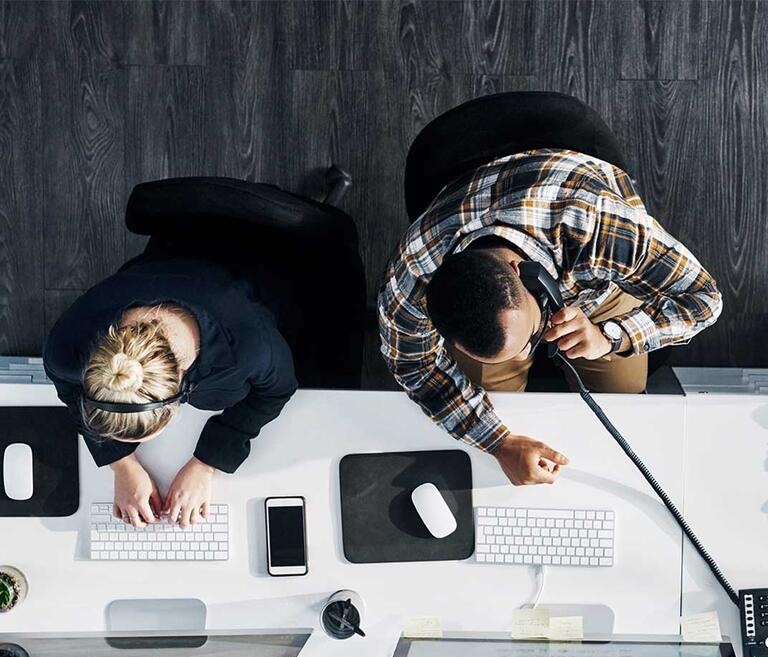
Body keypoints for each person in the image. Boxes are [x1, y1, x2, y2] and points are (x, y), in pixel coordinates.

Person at [378, 93, 723, 488]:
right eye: (526, 347)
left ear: (521, 270)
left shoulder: (599, 227)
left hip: (595, 286)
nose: (539, 345)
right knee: (498, 409)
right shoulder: (410, 278)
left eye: (530, 338)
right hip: (483, 225)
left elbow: (704, 299)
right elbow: (414, 368)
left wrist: (610, 338)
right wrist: (499, 442)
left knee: (624, 399)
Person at [44, 173, 365, 528]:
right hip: (178, 254)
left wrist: (206, 462)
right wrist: (122, 464)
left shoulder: (246, 348)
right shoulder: (67, 346)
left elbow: (277, 389)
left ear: (179, 396)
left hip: (268, 268)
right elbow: (72, 395)